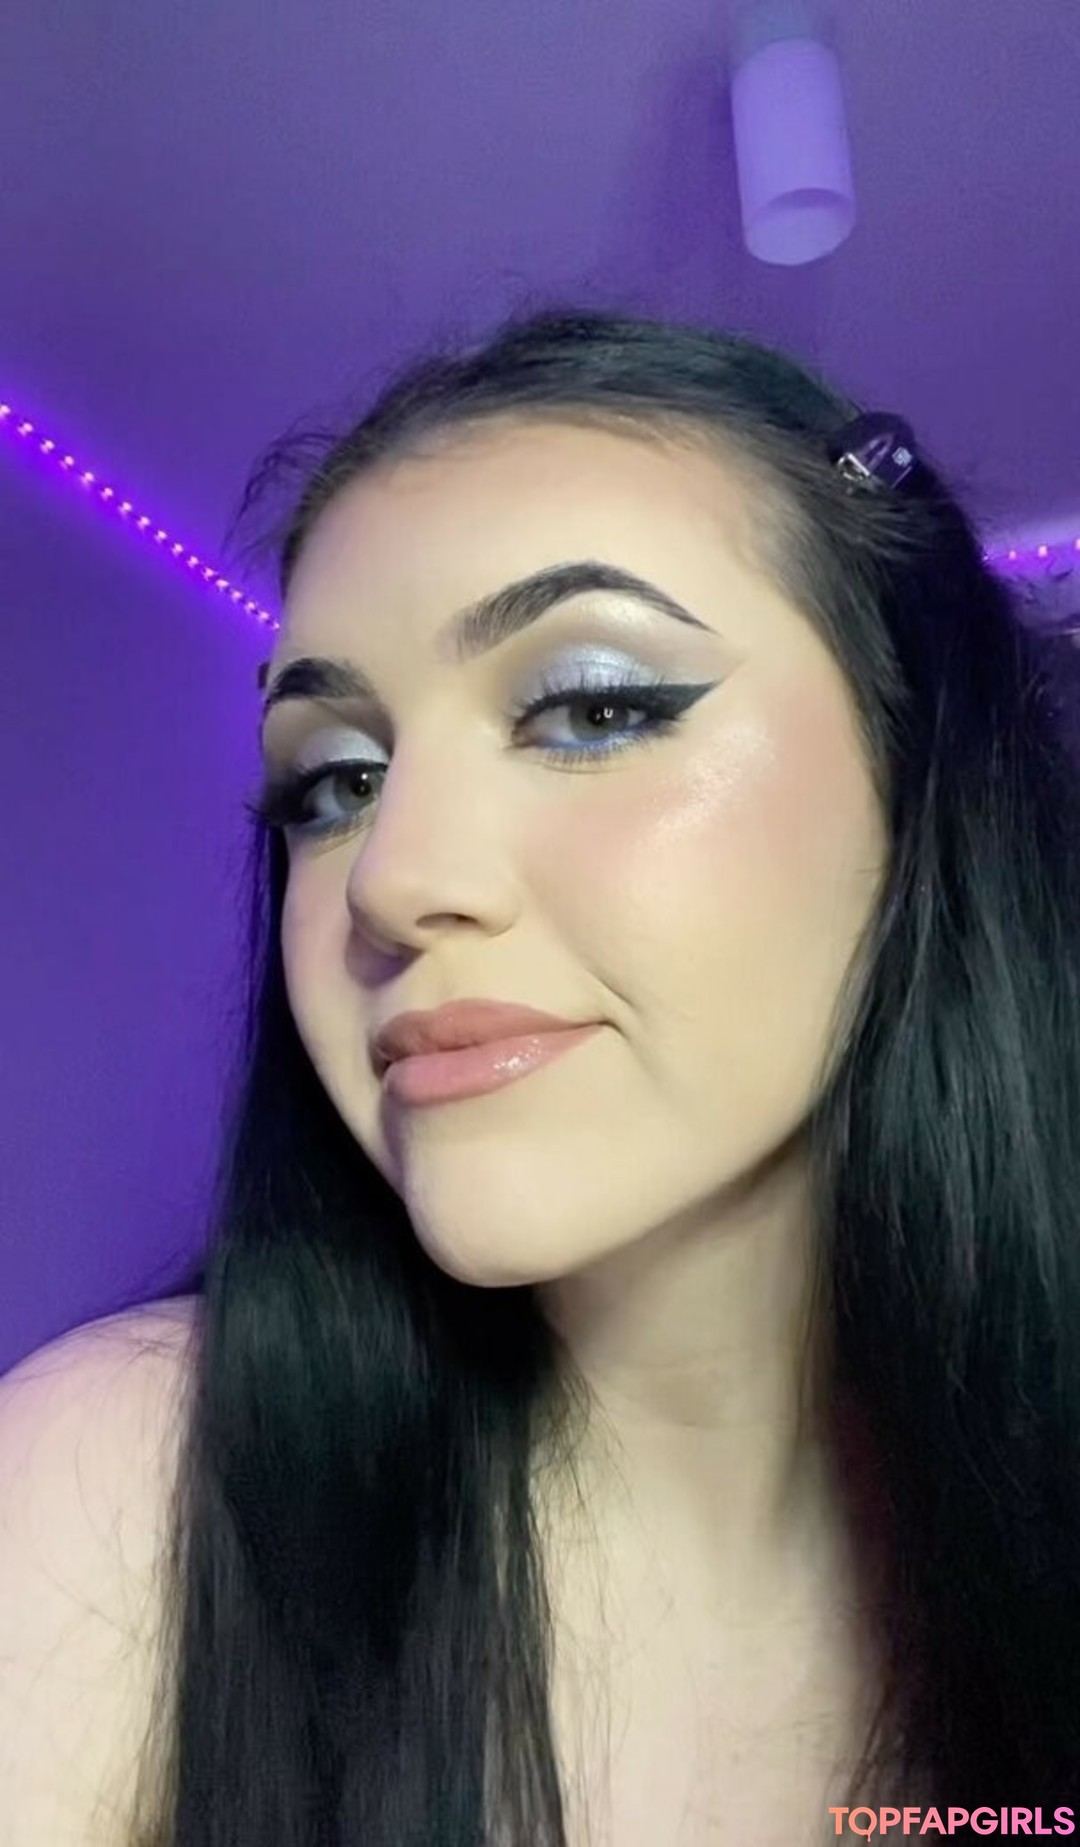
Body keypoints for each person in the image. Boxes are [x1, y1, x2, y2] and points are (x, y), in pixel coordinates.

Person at [3, 304, 1080, 1846]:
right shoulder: (122, 1496)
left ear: (922, 789)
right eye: (338, 780)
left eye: (594, 708)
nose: (392, 880)